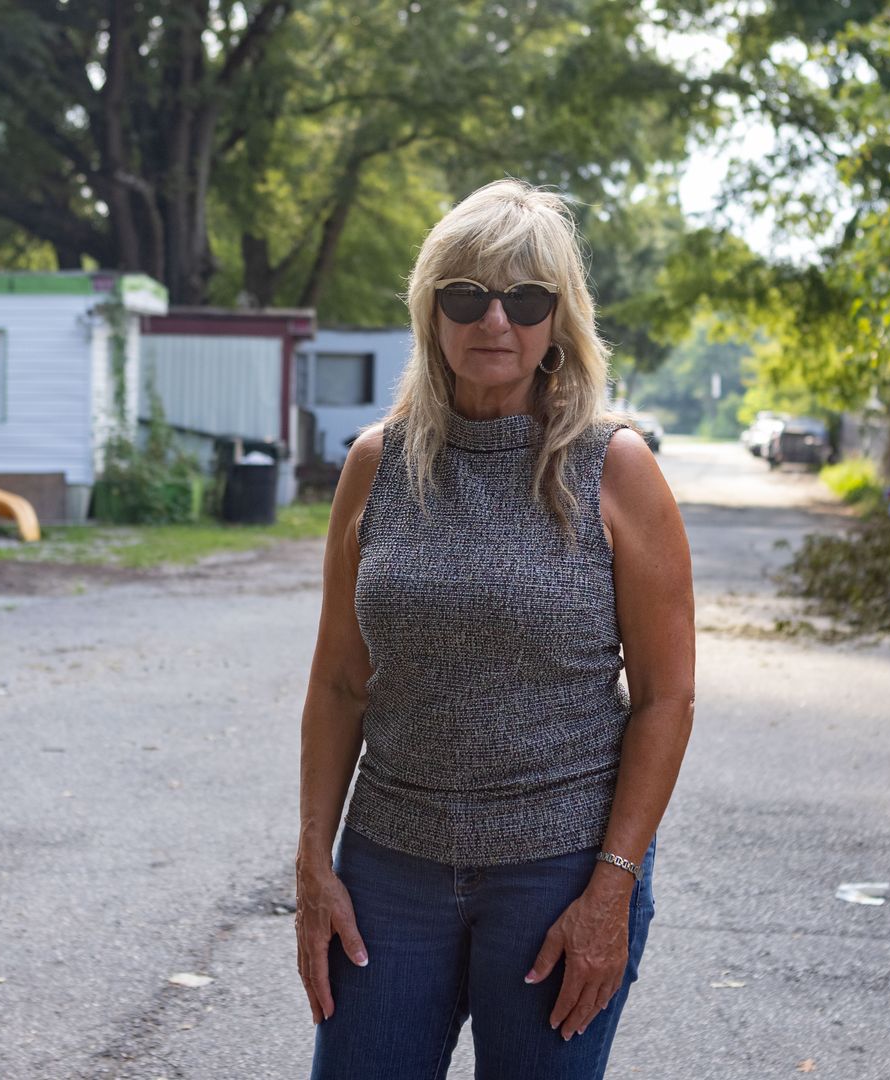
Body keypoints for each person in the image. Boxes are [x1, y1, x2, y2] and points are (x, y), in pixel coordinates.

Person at [295, 177, 696, 1080]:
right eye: (467, 295)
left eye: (526, 298)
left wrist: (612, 888)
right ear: (432, 311)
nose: (496, 321)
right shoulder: (377, 464)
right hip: (388, 869)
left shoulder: (615, 469)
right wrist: (313, 864)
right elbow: (338, 683)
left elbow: (667, 699)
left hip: (558, 873)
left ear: (560, 318)